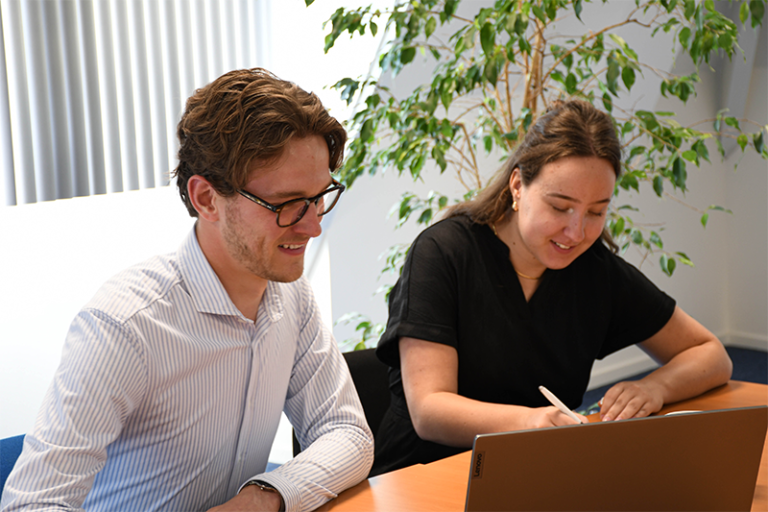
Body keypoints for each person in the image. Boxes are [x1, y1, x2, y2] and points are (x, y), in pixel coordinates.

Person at [1, 68, 373, 512]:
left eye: (319, 197)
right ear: (206, 199)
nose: (312, 226)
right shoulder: (126, 326)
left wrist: (263, 498)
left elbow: (347, 432)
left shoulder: (291, 297)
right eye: (288, 203)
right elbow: (33, 503)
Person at [370, 99, 733, 476]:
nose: (576, 233)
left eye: (596, 212)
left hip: (535, 471)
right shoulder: (443, 253)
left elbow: (711, 356)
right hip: (424, 472)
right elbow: (429, 410)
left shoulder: (594, 271)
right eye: (560, 207)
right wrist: (529, 422)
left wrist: (655, 388)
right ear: (517, 186)